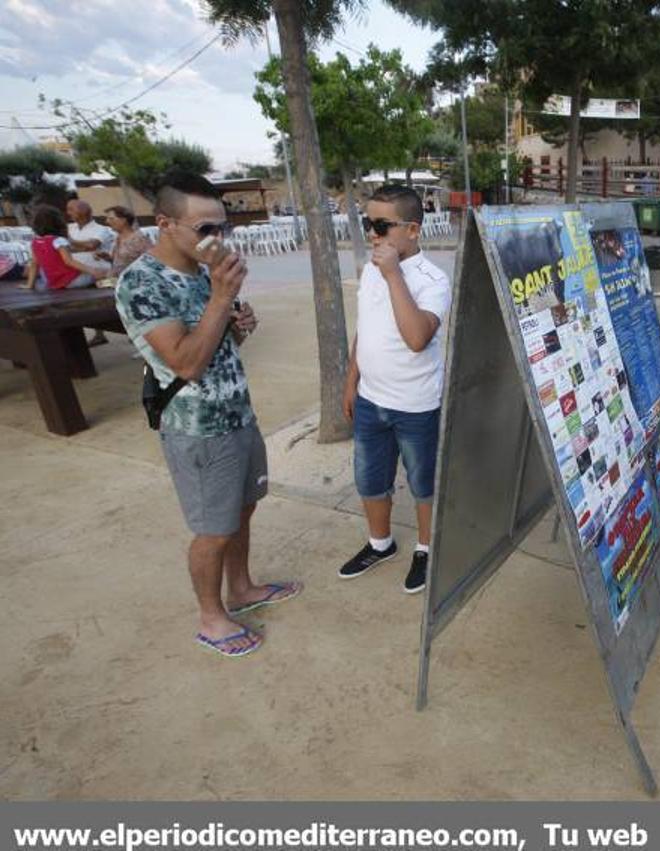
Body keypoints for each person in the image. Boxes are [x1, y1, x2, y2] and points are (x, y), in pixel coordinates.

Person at [114, 172, 300, 658]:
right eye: (204, 229)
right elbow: (185, 363)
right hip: (197, 430)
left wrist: (237, 327)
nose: (217, 240)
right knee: (213, 529)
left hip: (237, 412)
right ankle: (210, 618)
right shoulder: (142, 283)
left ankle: (241, 589)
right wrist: (221, 298)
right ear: (165, 224)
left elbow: (214, 348)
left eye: (223, 228)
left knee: (242, 510)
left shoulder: (201, 272)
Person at [338, 184, 451, 594]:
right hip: (371, 399)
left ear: (413, 230)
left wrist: (393, 275)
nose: (373, 234)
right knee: (370, 479)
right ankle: (379, 543)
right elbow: (364, 329)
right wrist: (352, 381)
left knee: (424, 484)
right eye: (369, 224)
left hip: (416, 403)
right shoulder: (371, 268)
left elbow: (417, 337)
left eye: (382, 225)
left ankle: (427, 548)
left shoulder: (431, 278)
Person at [21, 205, 106, 291]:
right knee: (102, 272)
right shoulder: (58, 240)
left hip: (53, 283)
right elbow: (69, 261)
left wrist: (29, 285)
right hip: (72, 281)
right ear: (57, 222)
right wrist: (93, 271)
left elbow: (34, 264)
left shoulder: (35, 242)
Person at [66, 199, 116, 345]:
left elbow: (92, 245)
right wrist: (75, 246)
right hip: (78, 273)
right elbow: (65, 248)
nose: (68, 213)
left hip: (101, 272)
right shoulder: (69, 227)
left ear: (83, 211)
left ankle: (131, 334)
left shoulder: (102, 229)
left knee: (112, 304)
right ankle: (99, 335)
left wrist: (69, 242)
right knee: (85, 308)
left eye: (71, 209)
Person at [103, 205, 153, 278]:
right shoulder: (118, 238)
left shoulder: (138, 239)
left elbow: (152, 261)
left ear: (123, 220)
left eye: (111, 219)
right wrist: (108, 258)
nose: (107, 221)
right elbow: (122, 261)